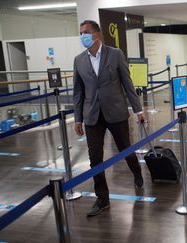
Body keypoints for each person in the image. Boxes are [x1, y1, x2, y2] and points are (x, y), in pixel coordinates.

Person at [73, 20, 145, 217]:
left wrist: (138, 110)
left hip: (116, 112)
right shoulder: (79, 60)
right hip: (92, 116)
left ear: (97, 34)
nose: (82, 36)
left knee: (126, 149)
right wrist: (77, 118)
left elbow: (127, 83)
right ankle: (102, 198)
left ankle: (137, 172)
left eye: (86, 32)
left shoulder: (115, 54)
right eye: (80, 33)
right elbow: (78, 92)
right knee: (95, 158)